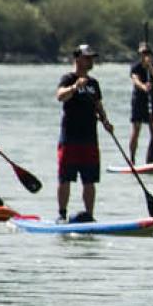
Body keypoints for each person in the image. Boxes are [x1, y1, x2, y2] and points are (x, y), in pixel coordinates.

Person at [54, 45, 109, 221]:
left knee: (90, 180)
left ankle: (90, 215)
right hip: (70, 138)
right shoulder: (68, 78)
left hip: (90, 138)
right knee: (65, 178)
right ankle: (62, 215)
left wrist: (105, 120)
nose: (91, 61)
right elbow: (60, 96)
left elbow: (98, 105)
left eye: (92, 58)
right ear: (77, 59)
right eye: (87, 58)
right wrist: (75, 87)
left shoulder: (94, 83)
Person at [127, 42, 153, 166]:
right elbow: (135, 79)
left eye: (147, 54)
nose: (145, 56)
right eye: (143, 54)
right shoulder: (135, 66)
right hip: (138, 99)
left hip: (150, 99)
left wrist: (150, 66)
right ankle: (132, 158)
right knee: (136, 129)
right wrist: (143, 86)